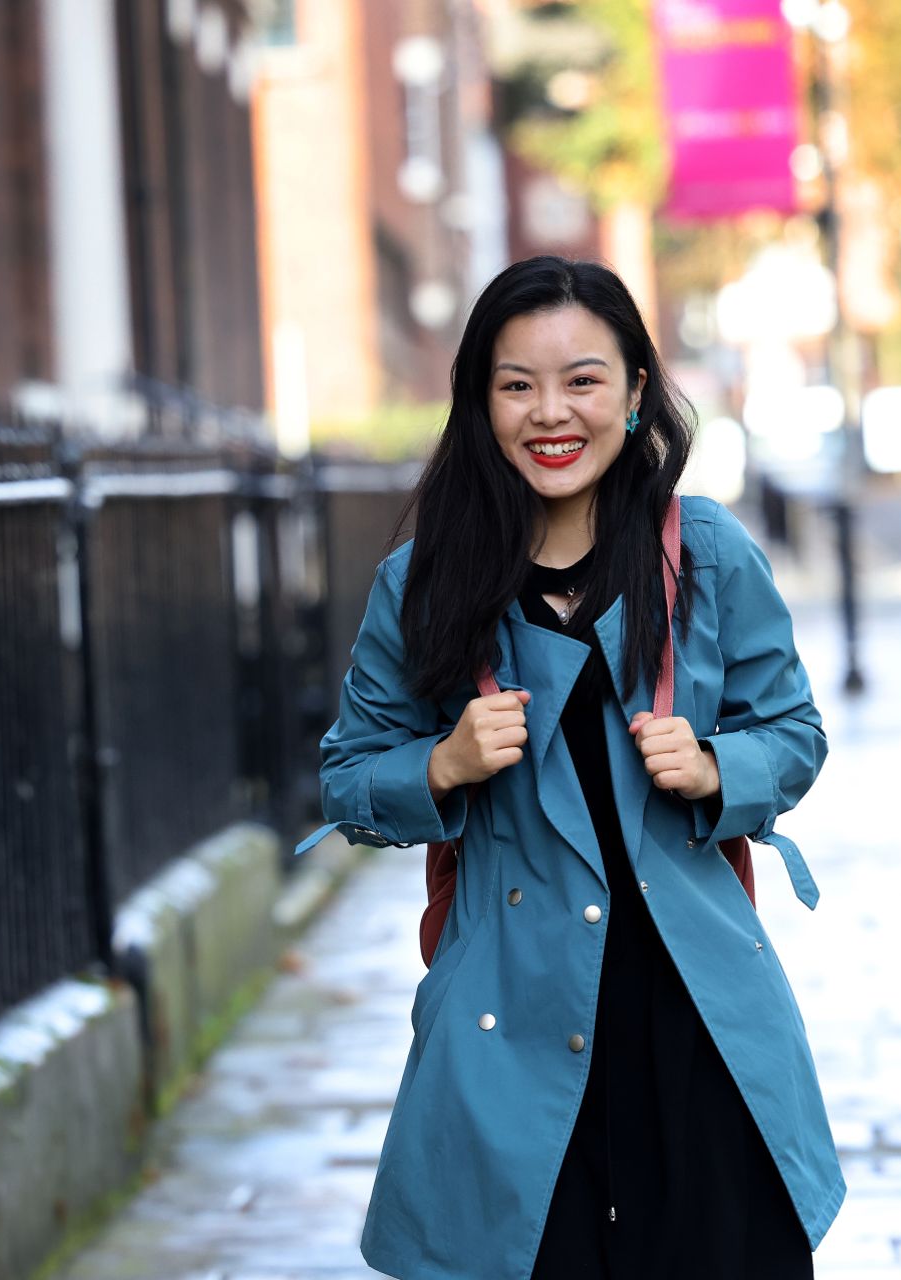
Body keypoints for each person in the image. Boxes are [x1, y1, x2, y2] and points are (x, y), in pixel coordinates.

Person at [297, 256, 843, 1277]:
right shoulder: (421, 584)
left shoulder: (705, 552)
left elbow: (795, 731)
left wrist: (721, 766)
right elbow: (347, 780)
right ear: (479, 402)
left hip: (700, 1027)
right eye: (517, 384)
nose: (552, 411)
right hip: (509, 1026)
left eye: (583, 379)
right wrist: (443, 763)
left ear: (636, 391)